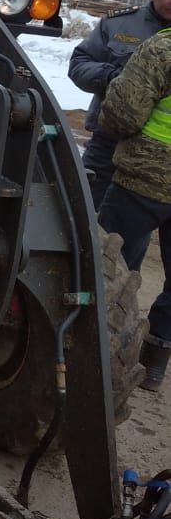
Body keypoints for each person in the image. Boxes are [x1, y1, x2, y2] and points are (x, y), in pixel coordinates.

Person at [98, 22, 171, 392]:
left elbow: (124, 113)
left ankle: (97, 351)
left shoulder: (162, 48)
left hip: (144, 180)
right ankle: (155, 362)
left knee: (107, 265)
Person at [68, 0, 171, 207]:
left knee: (129, 238)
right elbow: (79, 64)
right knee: (79, 214)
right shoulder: (119, 24)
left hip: (157, 159)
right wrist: (113, 77)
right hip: (107, 145)